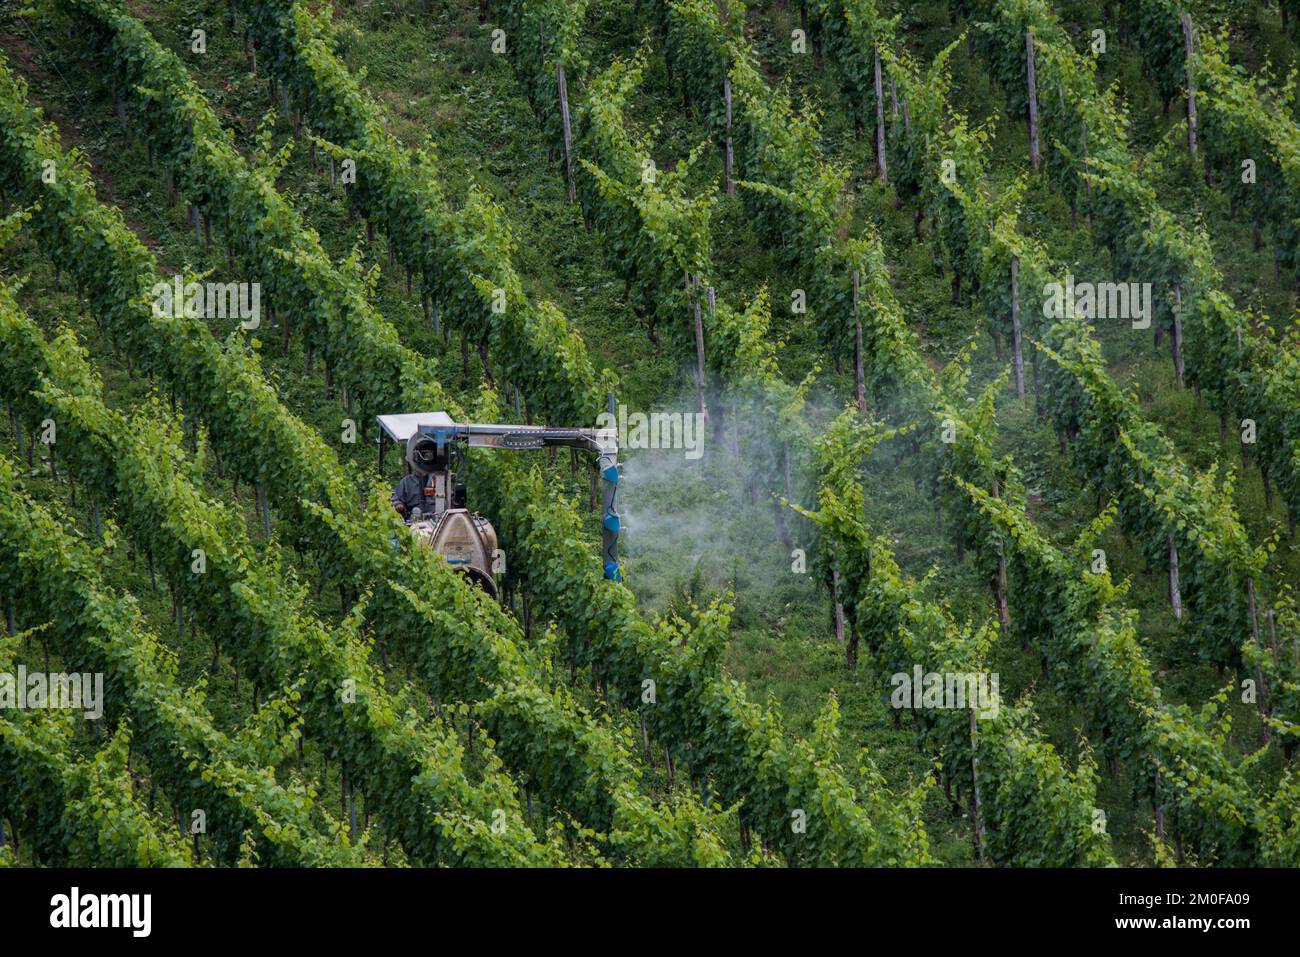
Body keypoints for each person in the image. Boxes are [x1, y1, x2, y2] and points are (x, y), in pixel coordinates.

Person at [392, 434, 440, 519]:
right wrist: (399, 505)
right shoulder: (406, 482)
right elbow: (396, 499)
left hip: (437, 519)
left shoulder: (438, 479)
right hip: (415, 520)